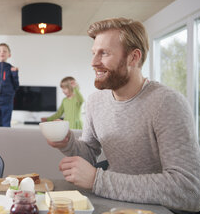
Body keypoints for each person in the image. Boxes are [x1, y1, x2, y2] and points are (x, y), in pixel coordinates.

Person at [47, 18, 200, 212]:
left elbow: (189, 191)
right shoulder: (96, 101)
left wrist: (97, 180)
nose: (94, 62)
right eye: (94, 53)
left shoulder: (167, 103)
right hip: (114, 204)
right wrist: (67, 143)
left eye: (104, 53)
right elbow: (89, 154)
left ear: (133, 57)